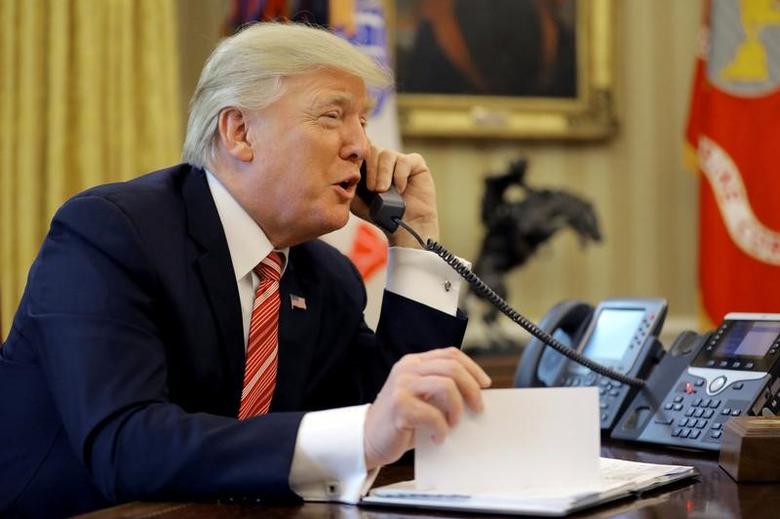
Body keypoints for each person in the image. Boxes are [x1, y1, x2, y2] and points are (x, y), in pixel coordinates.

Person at [0, 22, 491, 518]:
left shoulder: (326, 278)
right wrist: (360, 432)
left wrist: (418, 238)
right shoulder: (112, 234)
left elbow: (403, 435)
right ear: (239, 132)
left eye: (363, 121)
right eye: (331, 115)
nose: (360, 147)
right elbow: (126, 445)